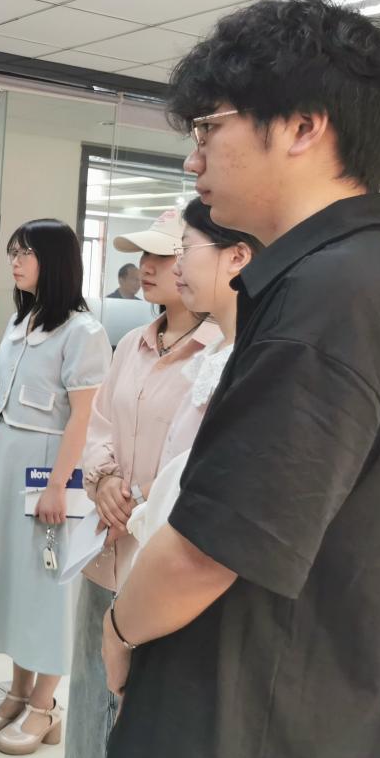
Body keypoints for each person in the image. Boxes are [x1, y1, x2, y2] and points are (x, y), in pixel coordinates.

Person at [101, 0, 380, 758]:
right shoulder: (373, 281)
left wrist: (117, 630)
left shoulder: (331, 300)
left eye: (208, 128)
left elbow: (207, 550)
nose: (193, 160)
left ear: (301, 127)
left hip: (254, 728)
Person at [64, 207, 220, 758]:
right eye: (143, 255)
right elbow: (99, 424)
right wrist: (104, 479)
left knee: (138, 705)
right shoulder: (131, 342)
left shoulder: (219, 354)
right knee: (88, 691)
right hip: (101, 549)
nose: (146, 266)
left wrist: (136, 498)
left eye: (161, 254)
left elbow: (199, 456)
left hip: (157, 559)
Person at [0, 219, 111, 756]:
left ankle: (46, 705)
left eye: (25, 253)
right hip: (9, 456)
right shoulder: (20, 321)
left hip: (49, 464)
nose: (16, 262)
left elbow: (83, 418)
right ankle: (18, 691)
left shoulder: (83, 332)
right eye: (13, 253)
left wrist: (58, 485)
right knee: (12, 575)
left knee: (46, 584)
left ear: (56, 261)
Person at [126, 199, 262, 552]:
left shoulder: (250, 364)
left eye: (184, 250)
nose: (176, 267)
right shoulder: (216, 353)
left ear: (237, 257)